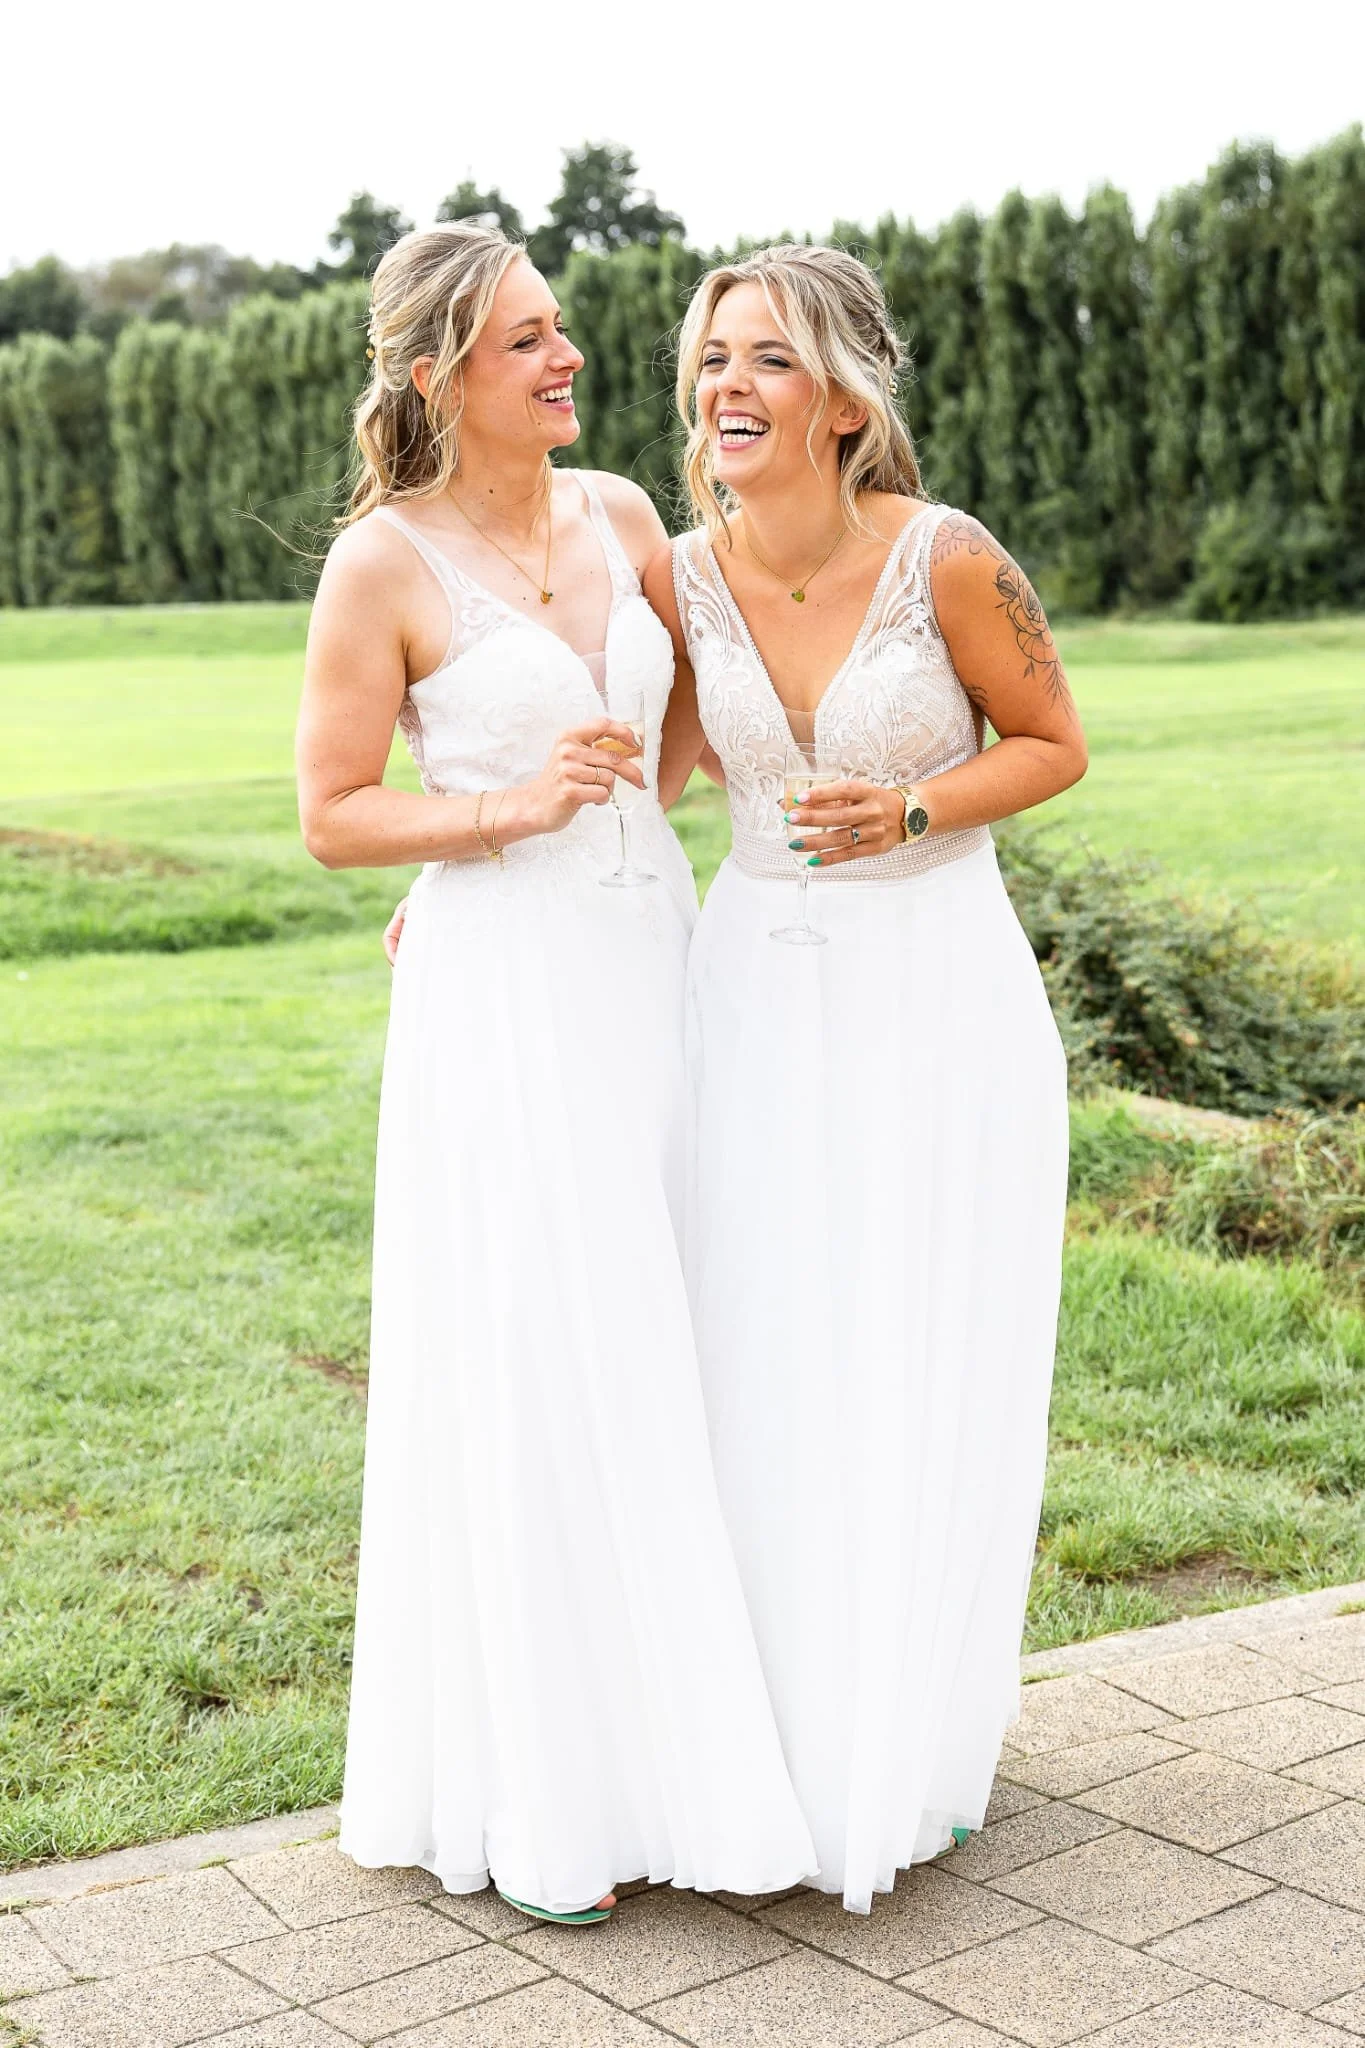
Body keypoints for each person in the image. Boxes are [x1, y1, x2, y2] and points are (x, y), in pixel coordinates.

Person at [296, 221, 815, 1926]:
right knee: (544, 1339)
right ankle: (556, 1793)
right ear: (444, 373)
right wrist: (499, 819)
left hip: (650, 947)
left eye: (562, 328)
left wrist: (630, 804)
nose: (567, 355)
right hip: (505, 984)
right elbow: (332, 814)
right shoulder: (383, 565)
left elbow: (686, 706)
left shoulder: (623, 519)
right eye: (529, 340)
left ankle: (701, 1742)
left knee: (685, 1310)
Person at [642, 243, 1086, 1915]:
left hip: (937, 993)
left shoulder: (951, 559)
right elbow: (655, 763)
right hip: (750, 988)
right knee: (758, 1335)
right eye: (709, 361)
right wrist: (450, 876)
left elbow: (1054, 744)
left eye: (763, 360)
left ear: (843, 397)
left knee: (919, 1340)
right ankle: (762, 1730)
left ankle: (910, 1737)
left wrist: (908, 810)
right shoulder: (676, 579)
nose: (725, 389)